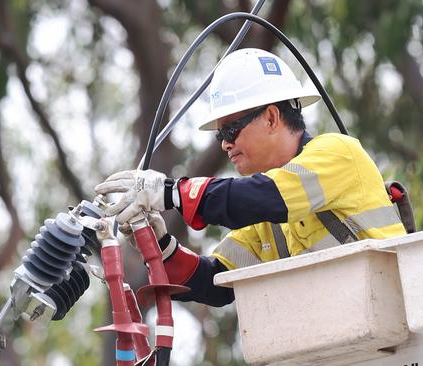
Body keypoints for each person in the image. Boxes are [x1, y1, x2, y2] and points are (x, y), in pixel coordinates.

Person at [95, 48, 406, 307]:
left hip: (396, 320)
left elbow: (266, 196)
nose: (226, 143)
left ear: (271, 117)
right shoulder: (265, 217)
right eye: (220, 136)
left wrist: (170, 193)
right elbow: (216, 282)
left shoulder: (337, 153)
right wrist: (161, 246)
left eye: (231, 130)